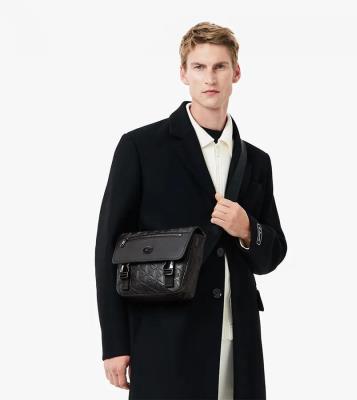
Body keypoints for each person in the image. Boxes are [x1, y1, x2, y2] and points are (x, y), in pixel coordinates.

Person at [95, 21, 287, 400]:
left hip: (238, 335)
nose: (209, 78)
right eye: (199, 67)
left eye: (219, 66)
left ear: (236, 73)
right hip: (166, 335)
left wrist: (248, 229)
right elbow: (108, 248)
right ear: (183, 73)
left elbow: (273, 254)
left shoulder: (257, 161)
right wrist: (114, 343)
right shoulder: (141, 148)